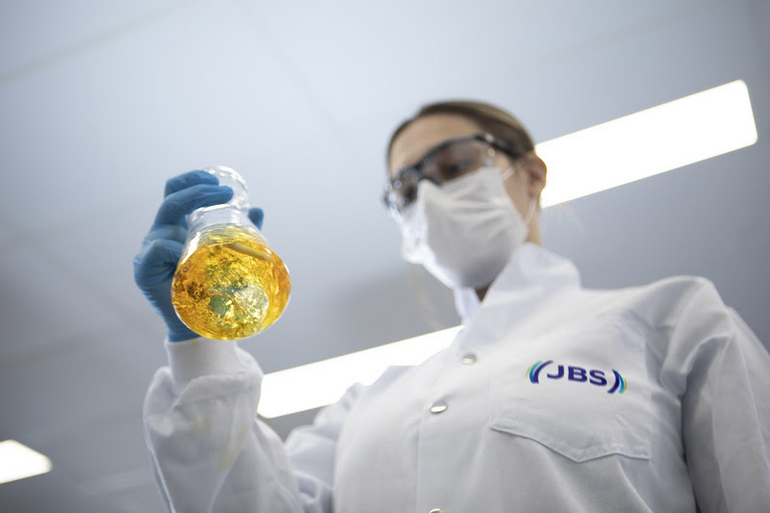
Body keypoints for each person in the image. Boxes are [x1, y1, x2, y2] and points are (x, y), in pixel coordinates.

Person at [134, 100, 770, 512]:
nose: (430, 198)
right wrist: (198, 344)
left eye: (456, 166)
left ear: (531, 174)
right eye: (406, 189)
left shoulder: (671, 321)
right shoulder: (366, 405)